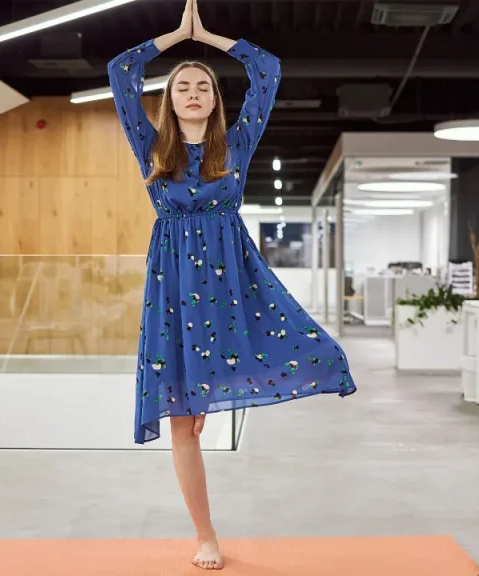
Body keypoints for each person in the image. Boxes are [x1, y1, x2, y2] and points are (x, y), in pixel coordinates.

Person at [107, 0, 357, 569]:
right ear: (168, 101)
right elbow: (120, 73)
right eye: (181, 86)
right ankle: (206, 534)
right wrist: (171, 40)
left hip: (231, 283)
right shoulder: (151, 148)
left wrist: (213, 40)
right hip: (172, 289)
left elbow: (266, 70)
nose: (193, 92)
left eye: (203, 86)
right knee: (183, 422)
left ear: (216, 99)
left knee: (291, 350)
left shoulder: (235, 147)